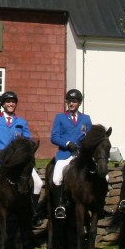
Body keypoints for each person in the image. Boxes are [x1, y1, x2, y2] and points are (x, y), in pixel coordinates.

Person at [0, 91, 43, 211]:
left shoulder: (21, 122)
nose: (11, 104)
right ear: (3, 104)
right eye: (8, 102)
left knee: (38, 183)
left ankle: (32, 212)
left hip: (16, 163)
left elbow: (28, 140)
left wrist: (26, 148)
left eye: (13, 102)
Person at [49, 89, 93, 219]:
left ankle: (97, 205)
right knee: (56, 178)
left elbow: (89, 137)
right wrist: (67, 143)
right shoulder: (60, 118)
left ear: (79, 103)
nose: (71, 104)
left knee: (100, 175)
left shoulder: (86, 119)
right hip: (65, 154)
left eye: (74, 101)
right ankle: (60, 206)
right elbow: (54, 137)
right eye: (69, 101)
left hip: (81, 155)